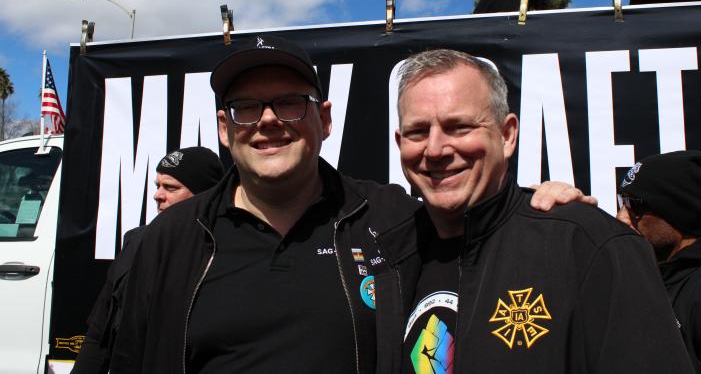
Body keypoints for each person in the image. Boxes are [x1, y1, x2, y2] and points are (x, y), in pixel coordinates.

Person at [109, 36, 591, 374]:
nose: (269, 121)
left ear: (324, 120)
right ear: (223, 128)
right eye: (246, 108)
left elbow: (473, 210)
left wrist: (538, 202)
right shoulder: (167, 239)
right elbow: (118, 358)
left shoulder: (389, 218)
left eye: (290, 103)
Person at [375, 49, 694, 373]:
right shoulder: (387, 256)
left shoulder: (588, 246)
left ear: (507, 134)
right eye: (417, 132)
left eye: (459, 127)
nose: (435, 149)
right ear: (400, 142)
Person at [73, 146, 224, 374]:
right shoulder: (136, 242)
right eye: (158, 186)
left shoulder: (223, 250)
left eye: (171, 187)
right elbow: (99, 332)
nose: (157, 195)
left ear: (203, 194)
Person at [617, 150, 701, 374]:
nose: (622, 216)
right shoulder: (651, 278)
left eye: (635, 205)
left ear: (676, 210)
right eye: (622, 201)